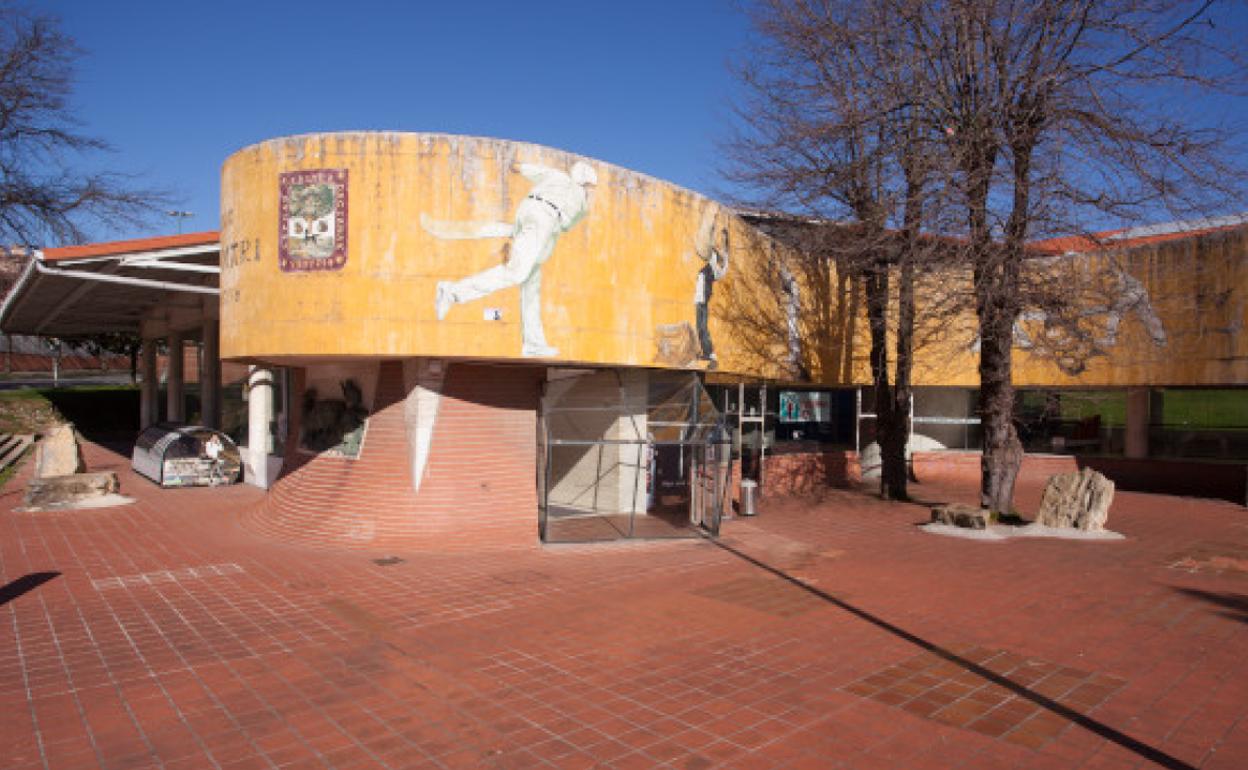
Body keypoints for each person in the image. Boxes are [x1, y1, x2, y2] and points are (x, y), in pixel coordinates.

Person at [426, 160, 598, 358]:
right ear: (586, 183)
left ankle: (534, 344)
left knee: (531, 284)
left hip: (528, 212)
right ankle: (451, 292)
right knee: (516, 273)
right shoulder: (582, 202)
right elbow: (565, 225)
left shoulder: (557, 176)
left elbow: (522, 168)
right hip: (544, 220)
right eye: (591, 187)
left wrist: (513, 165)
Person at [694, 225, 729, 367]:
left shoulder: (716, 268)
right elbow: (722, 253)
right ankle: (707, 352)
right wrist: (722, 238)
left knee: (702, 327)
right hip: (700, 298)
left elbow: (717, 251)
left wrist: (713, 232)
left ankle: (710, 353)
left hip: (701, 298)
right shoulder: (718, 269)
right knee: (701, 327)